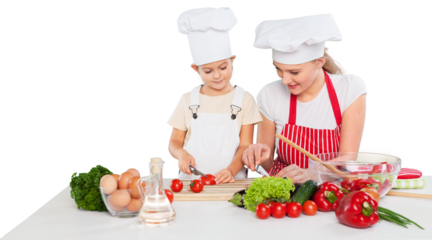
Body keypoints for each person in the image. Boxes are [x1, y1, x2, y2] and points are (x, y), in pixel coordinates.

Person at [242, 12, 367, 183]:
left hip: (331, 191)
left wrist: (313, 174)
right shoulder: (269, 94)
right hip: (286, 190)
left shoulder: (349, 89)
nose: (285, 80)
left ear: (319, 62)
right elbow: (266, 165)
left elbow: (347, 161)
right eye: (278, 69)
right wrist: (258, 155)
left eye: (294, 72)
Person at [167, 5, 263, 184]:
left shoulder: (245, 98)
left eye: (223, 67)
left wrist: (231, 171)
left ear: (232, 60)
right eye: (208, 71)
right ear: (195, 69)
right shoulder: (187, 99)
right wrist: (181, 154)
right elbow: (174, 141)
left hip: (232, 182)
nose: (217, 75)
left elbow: (245, 145)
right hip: (191, 183)